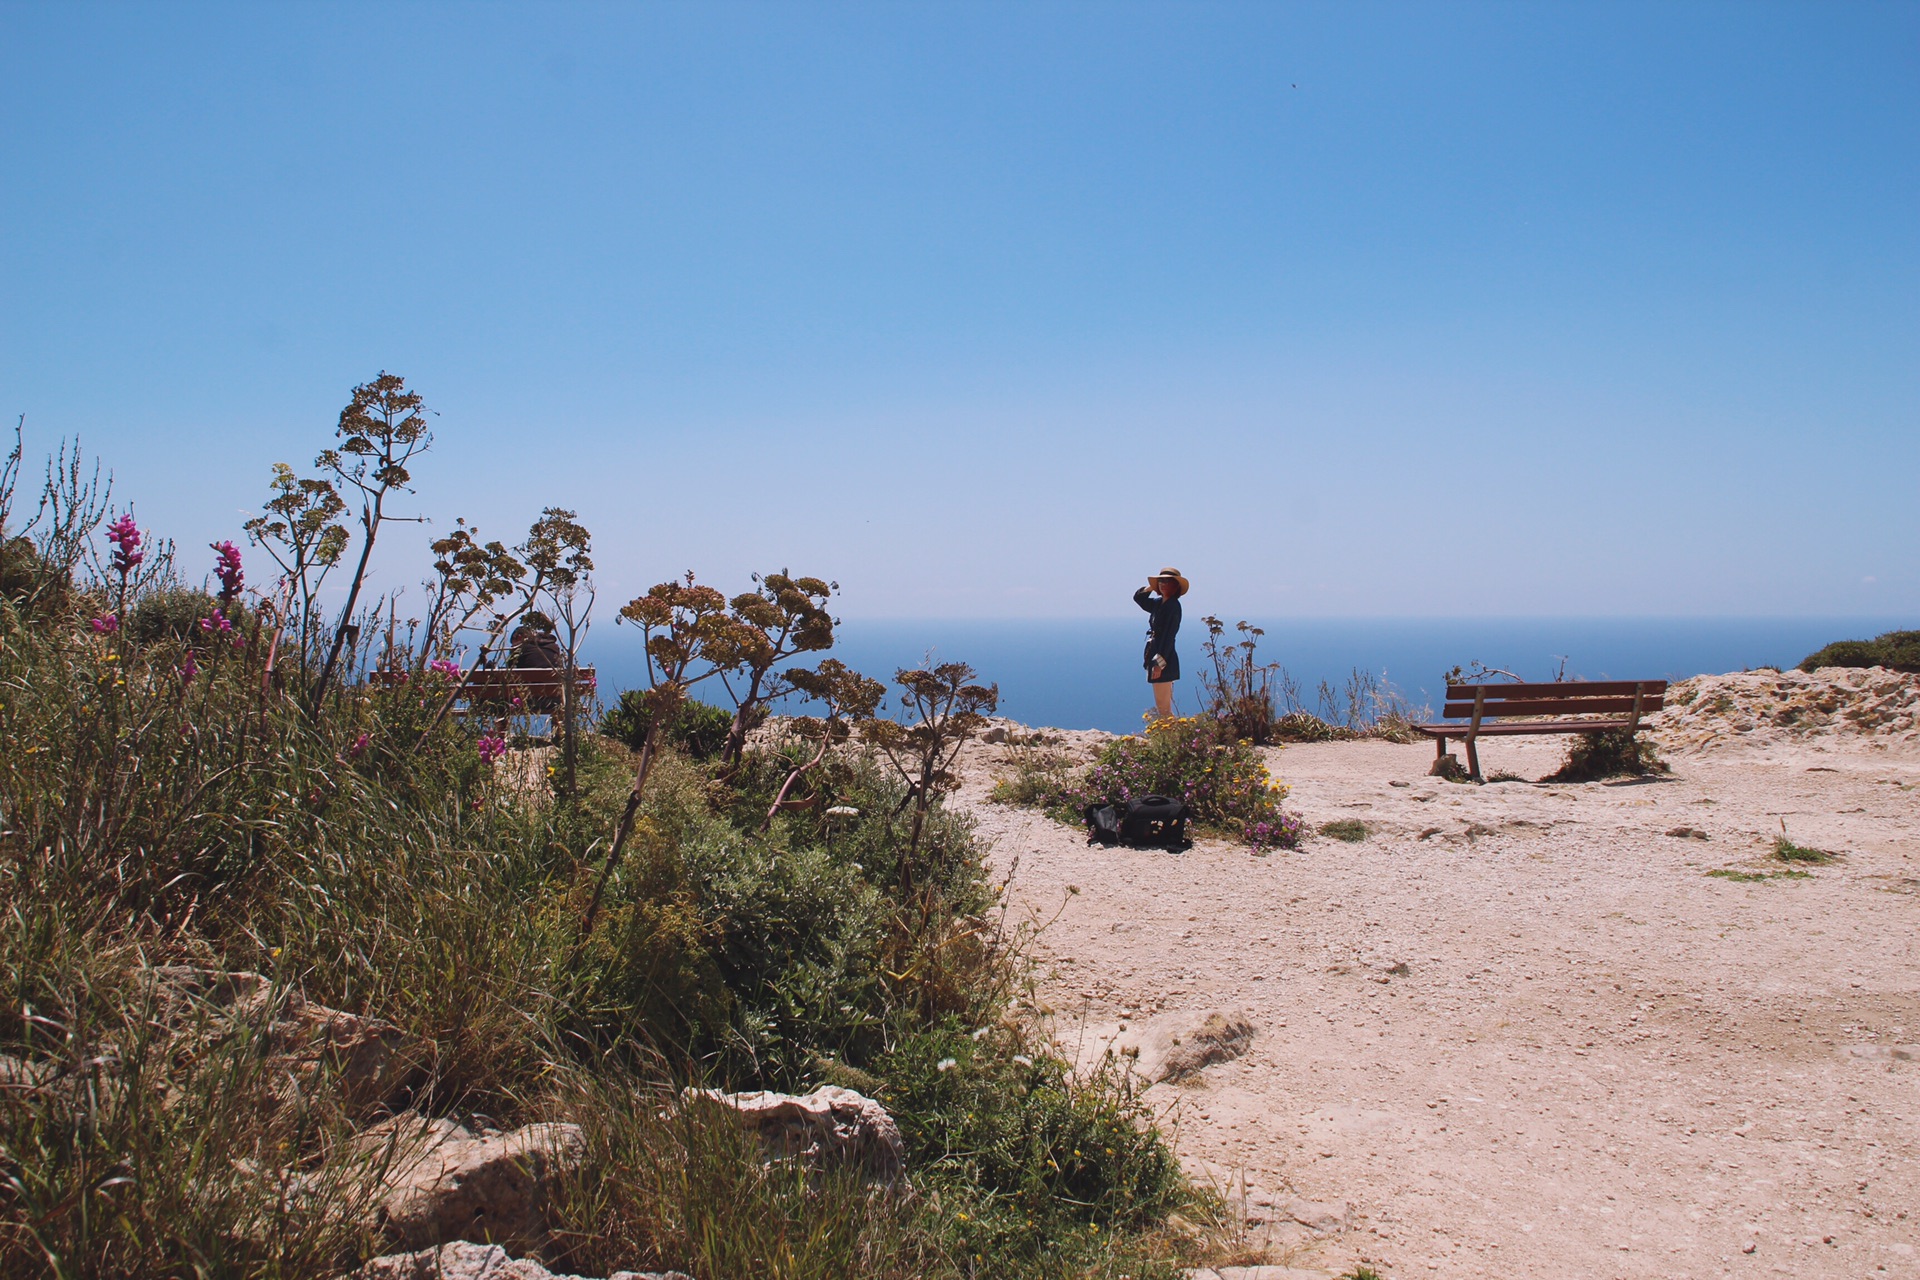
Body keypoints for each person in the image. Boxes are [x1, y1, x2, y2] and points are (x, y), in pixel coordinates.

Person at [1133, 568, 1188, 721]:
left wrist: (1159, 663)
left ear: (1176, 586)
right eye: (1161, 581)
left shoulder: (1173, 606)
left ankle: (1173, 740)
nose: (1163, 584)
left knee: (1164, 707)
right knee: (1161, 705)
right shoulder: (1158, 603)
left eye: (1167, 581)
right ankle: (1172, 738)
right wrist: (1152, 586)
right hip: (1155, 654)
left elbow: (1169, 636)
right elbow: (1139, 598)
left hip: (1163, 658)